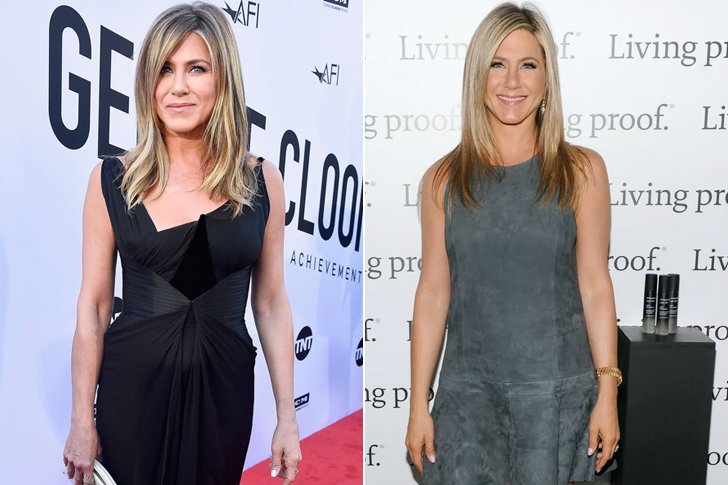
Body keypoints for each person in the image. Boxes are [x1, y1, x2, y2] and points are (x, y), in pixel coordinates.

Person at [62, 3, 302, 484]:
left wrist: (287, 418)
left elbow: (272, 304)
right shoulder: (113, 180)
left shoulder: (261, 182)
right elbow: (94, 307)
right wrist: (81, 420)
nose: (177, 87)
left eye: (196, 69)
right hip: (132, 390)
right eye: (164, 70)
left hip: (224, 392)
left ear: (223, 79)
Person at [405, 3, 620, 484]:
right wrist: (419, 403)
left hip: (558, 403)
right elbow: (434, 293)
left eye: (528, 65)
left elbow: (594, 285)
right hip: (469, 406)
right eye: (497, 64)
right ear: (477, 76)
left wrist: (608, 393)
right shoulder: (443, 180)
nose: (512, 82)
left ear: (547, 78)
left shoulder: (582, 171)